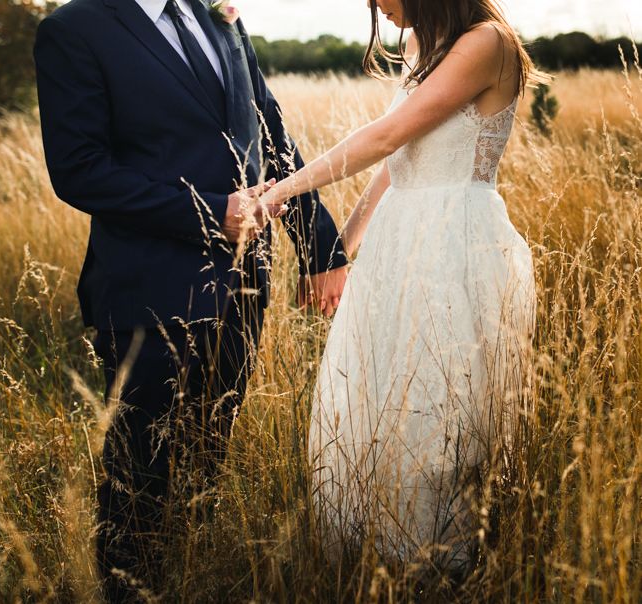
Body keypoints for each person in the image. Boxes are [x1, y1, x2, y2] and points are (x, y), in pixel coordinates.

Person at [33, 0, 348, 600]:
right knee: (139, 480)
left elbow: (271, 134)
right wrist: (208, 215)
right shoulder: (72, 30)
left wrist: (320, 249)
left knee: (207, 459)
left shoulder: (219, 15)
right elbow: (79, 170)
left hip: (244, 285)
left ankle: (189, 580)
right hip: (145, 291)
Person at [260, 0, 540, 575]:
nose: (375, 7)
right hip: (399, 241)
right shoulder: (422, 46)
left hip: (453, 243)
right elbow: (400, 161)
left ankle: (439, 568)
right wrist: (343, 249)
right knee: (384, 397)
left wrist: (279, 191)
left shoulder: (488, 43)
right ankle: (383, 559)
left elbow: (386, 136)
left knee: (439, 411)